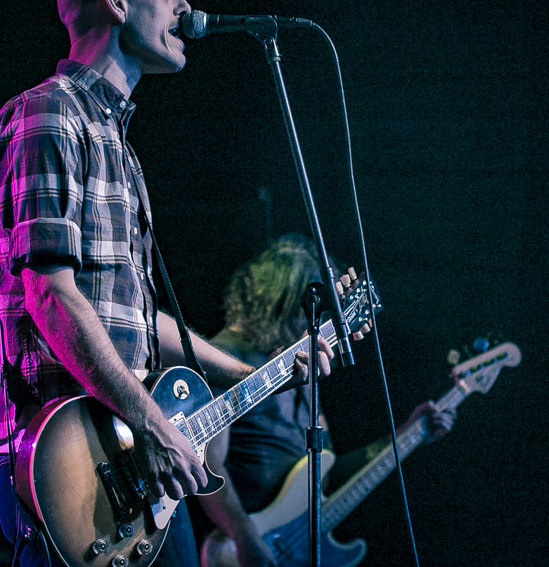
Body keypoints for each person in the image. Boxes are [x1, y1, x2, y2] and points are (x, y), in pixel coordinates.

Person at [0, 0, 335, 567]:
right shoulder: (49, 116)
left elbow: (132, 318)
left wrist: (254, 375)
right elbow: (50, 296)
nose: (184, 4)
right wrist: (154, 423)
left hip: (126, 454)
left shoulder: (119, 146)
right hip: (67, 459)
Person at [195, 234, 455, 567]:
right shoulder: (224, 358)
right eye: (304, 314)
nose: (311, 327)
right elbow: (208, 465)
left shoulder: (296, 367)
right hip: (239, 548)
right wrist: (245, 536)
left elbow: (326, 471)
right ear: (277, 302)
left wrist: (406, 432)